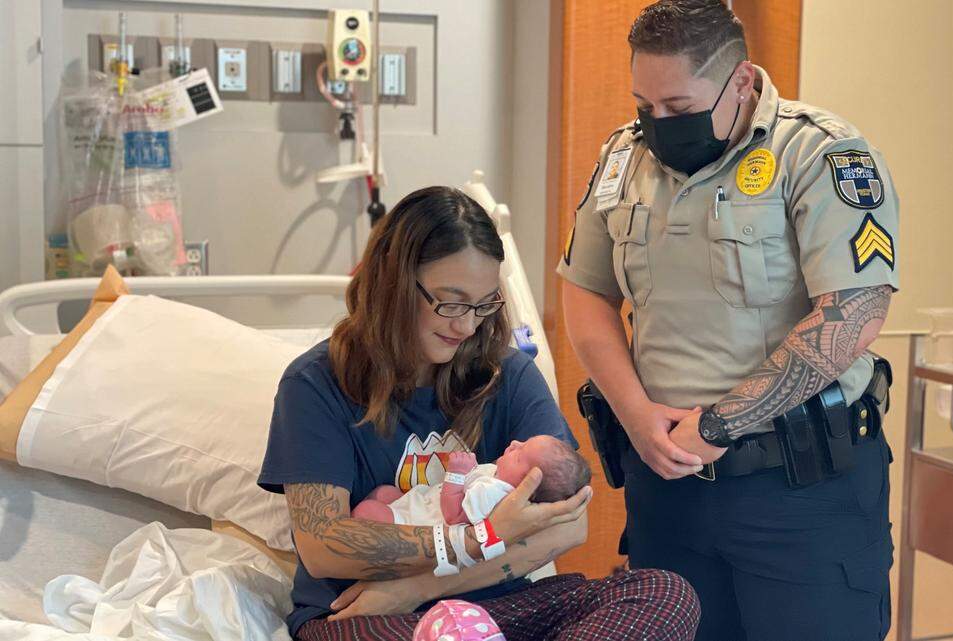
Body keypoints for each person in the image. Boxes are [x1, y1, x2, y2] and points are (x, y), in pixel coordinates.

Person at [558, 1, 900, 640]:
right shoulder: (622, 159)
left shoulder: (822, 155)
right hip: (668, 492)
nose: (659, 124)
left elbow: (854, 314)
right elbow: (586, 294)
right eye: (645, 106)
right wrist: (635, 413)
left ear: (742, 81)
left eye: (680, 108)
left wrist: (720, 424)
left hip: (801, 491)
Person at [258, 186, 699, 641]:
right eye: (450, 302)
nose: (467, 325)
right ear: (391, 284)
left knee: (664, 594)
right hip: (370, 616)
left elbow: (568, 524)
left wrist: (418, 586)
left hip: (492, 606)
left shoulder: (507, 374)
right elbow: (325, 546)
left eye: (483, 304)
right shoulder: (316, 384)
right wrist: (478, 538)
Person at [351, 435, 591, 525]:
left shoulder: (497, 493)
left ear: (525, 485)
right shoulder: (498, 476)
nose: (514, 444)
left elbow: (454, 516)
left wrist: (456, 473)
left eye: (520, 455)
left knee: (367, 510)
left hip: (419, 525)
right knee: (384, 493)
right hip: (424, 503)